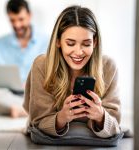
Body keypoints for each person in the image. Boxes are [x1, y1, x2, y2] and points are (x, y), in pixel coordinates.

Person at [23, 5, 121, 141]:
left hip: (92, 137)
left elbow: (115, 124)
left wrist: (101, 116)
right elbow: (38, 121)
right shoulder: (42, 65)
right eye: (70, 44)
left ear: (95, 42)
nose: (78, 52)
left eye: (86, 44)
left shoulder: (108, 66)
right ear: (58, 41)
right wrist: (61, 118)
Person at [0, 0, 48, 118]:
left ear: (29, 16)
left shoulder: (47, 41)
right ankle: (31, 110)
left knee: (52, 95)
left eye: (21, 19)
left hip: (36, 93)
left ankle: (22, 110)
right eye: (12, 20)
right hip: (9, 94)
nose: (17, 25)